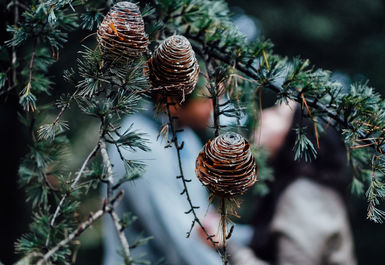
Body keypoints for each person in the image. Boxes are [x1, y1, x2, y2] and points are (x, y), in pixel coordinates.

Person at [102, 92, 252, 264]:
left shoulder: (185, 137)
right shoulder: (142, 147)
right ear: (173, 99)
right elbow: (181, 244)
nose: (217, 107)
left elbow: (205, 227)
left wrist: (266, 234)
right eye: (208, 98)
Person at [230, 101, 357, 265]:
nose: (263, 114)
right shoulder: (300, 189)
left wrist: (230, 248)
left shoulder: (306, 194)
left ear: (299, 134)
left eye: (277, 113)